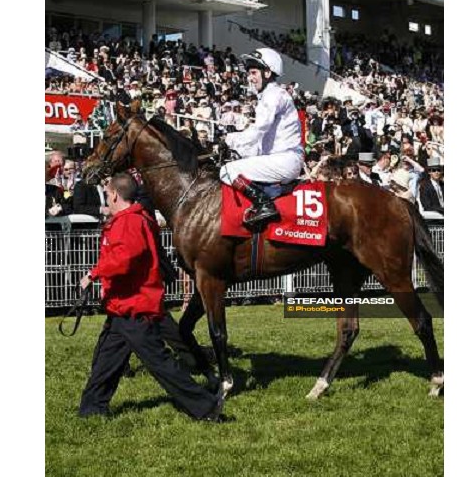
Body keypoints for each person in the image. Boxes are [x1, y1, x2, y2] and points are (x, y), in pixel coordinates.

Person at [78, 173, 224, 421]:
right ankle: (92, 408)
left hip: (134, 307)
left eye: (107, 192)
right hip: (123, 307)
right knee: (106, 361)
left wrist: (94, 274)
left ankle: (206, 407)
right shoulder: (133, 218)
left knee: (161, 364)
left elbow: (126, 259)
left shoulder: (130, 222)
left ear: (114, 194)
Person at [219, 48, 304, 227]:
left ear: (267, 72)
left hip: (285, 160)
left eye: (254, 72)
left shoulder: (273, 95)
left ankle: (265, 205)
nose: (250, 78)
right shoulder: (269, 95)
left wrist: (231, 139)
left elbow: (259, 129)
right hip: (282, 158)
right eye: (249, 73)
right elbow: (261, 141)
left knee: (227, 171)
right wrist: (237, 149)